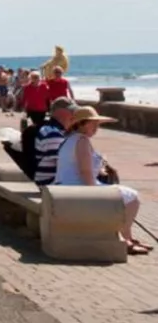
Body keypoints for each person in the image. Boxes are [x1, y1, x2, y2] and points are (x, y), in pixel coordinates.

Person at [54, 106, 149, 256]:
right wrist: (97, 196)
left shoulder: (70, 140)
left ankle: (128, 238)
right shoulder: (82, 140)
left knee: (126, 195)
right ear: (83, 123)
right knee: (133, 197)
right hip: (78, 188)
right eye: (94, 124)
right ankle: (125, 240)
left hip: (66, 187)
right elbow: (84, 172)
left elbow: (79, 167)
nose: (97, 128)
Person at [29, 97, 76, 185]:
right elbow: (63, 163)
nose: (74, 115)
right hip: (50, 183)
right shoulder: (52, 133)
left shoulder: (55, 130)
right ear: (61, 112)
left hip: (53, 180)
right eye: (72, 111)